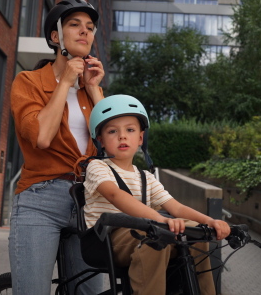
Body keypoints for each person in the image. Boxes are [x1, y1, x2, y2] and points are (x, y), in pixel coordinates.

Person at [84, 95, 231, 295]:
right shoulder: (97, 166)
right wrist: (160, 220)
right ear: (100, 140)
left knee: (196, 232)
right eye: (112, 131)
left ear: (140, 138)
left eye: (130, 130)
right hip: (107, 238)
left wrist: (210, 221)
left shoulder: (145, 177)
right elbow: (114, 195)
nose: (122, 136)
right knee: (155, 237)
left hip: (146, 230)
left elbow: (176, 207)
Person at [9, 0, 105, 295]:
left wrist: (94, 88)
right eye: (74, 25)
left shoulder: (92, 89)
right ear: (55, 37)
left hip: (87, 200)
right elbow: (42, 137)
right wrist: (65, 82)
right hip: (40, 200)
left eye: (89, 28)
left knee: (89, 292)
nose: (84, 32)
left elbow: (113, 146)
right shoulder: (29, 82)